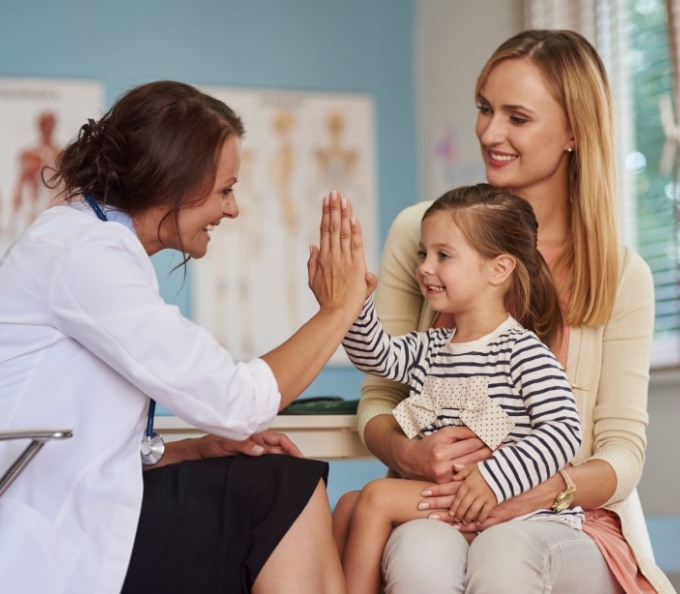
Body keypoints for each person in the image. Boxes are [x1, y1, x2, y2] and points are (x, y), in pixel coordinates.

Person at [0, 80, 375, 594]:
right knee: (280, 489)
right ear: (174, 182)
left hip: (68, 505)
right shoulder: (86, 256)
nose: (232, 209)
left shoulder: (85, 244)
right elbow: (238, 402)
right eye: (225, 189)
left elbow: (80, 436)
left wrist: (189, 452)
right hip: (47, 536)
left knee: (274, 481)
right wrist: (340, 309)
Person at [357, 30, 675, 593]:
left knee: (506, 553)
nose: (489, 132)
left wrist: (542, 489)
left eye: (516, 117)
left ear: (573, 130)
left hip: (565, 516)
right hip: (440, 502)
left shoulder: (622, 275)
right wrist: (408, 452)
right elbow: (380, 396)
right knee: (419, 556)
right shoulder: (421, 233)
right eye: (484, 109)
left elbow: (623, 452)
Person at [334, 184, 583, 594]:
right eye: (423, 254)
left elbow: (563, 431)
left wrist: (492, 479)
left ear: (498, 269)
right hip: (447, 494)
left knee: (376, 497)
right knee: (347, 506)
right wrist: (353, 302)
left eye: (443, 256)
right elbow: (374, 356)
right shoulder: (430, 346)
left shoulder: (521, 351)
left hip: (497, 502)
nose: (425, 268)